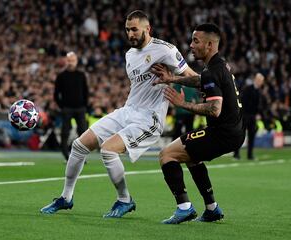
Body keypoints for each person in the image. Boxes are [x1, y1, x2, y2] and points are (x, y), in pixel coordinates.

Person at [40, 10, 197, 218]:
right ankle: (66, 198)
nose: (130, 34)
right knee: (79, 145)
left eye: (134, 29)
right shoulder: (130, 55)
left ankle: (125, 200)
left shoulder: (165, 50)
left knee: (108, 150)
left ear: (147, 29)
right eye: (127, 30)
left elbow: (195, 78)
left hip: (149, 118)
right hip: (127, 111)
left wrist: (173, 79)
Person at [151, 23, 245, 224]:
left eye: (196, 41)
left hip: (222, 133)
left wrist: (181, 103)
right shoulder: (220, 66)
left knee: (167, 154)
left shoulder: (212, 71)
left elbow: (214, 109)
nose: (191, 45)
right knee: (192, 157)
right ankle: (212, 209)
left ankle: (184, 207)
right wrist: (173, 77)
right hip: (234, 131)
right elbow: (200, 81)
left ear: (209, 45)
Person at [54, 52, 89, 161]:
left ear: (76, 61)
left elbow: (86, 91)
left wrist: (84, 105)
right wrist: (62, 106)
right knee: (65, 131)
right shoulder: (61, 76)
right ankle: (66, 154)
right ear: (66, 61)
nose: (70, 63)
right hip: (67, 108)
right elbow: (56, 93)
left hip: (80, 108)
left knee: (83, 132)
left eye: (72, 60)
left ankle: (81, 155)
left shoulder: (81, 75)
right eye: (69, 60)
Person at [233, 73, 265, 160]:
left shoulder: (258, 91)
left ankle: (250, 155)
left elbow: (258, 105)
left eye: (261, 81)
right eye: (260, 80)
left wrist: (258, 114)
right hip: (245, 115)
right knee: (240, 135)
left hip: (253, 116)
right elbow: (243, 102)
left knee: (252, 136)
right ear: (256, 80)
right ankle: (236, 154)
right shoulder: (248, 89)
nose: (261, 82)